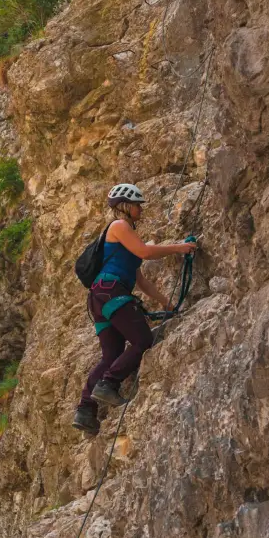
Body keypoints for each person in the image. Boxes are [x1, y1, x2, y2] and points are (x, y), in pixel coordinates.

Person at [72, 183, 196, 434]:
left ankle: (85, 410)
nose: (141, 209)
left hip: (100, 297)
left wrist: (167, 304)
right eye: (137, 205)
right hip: (111, 292)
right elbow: (146, 252)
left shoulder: (121, 243)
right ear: (125, 206)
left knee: (111, 354)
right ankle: (108, 384)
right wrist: (179, 247)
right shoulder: (119, 227)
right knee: (142, 340)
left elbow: (141, 282)